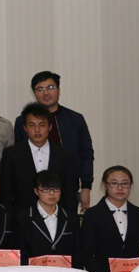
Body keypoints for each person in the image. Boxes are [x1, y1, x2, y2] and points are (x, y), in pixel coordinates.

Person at [14, 71, 95, 211]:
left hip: (67, 188)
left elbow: (86, 154)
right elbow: (18, 156)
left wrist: (86, 187)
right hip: (31, 190)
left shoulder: (75, 119)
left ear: (59, 90)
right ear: (34, 93)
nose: (46, 93)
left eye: (50, 87)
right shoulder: (22, 121)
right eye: (40, 89)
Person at [81, 165, 139, 272]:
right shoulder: (92, 214)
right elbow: (86, 254)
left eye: (125, 183)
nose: (120, 188)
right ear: (105, 185)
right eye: (114, 183)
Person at [0, 102, 78, 214]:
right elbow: (5, 194)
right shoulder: (11, 155)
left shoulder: (64, 155)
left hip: (57, 216)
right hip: (21, 218)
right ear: (25, 128)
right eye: (32, 125)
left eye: (42, 125)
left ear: (50, 127)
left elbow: (70, 193)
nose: (37, 130)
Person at [16, 170, 81, 267]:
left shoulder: (71, 218)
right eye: (46, 189)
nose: (52, 193)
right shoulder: (23, 218)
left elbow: (77, 252)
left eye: (56, 189)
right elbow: (21, 253)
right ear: (36, 191)